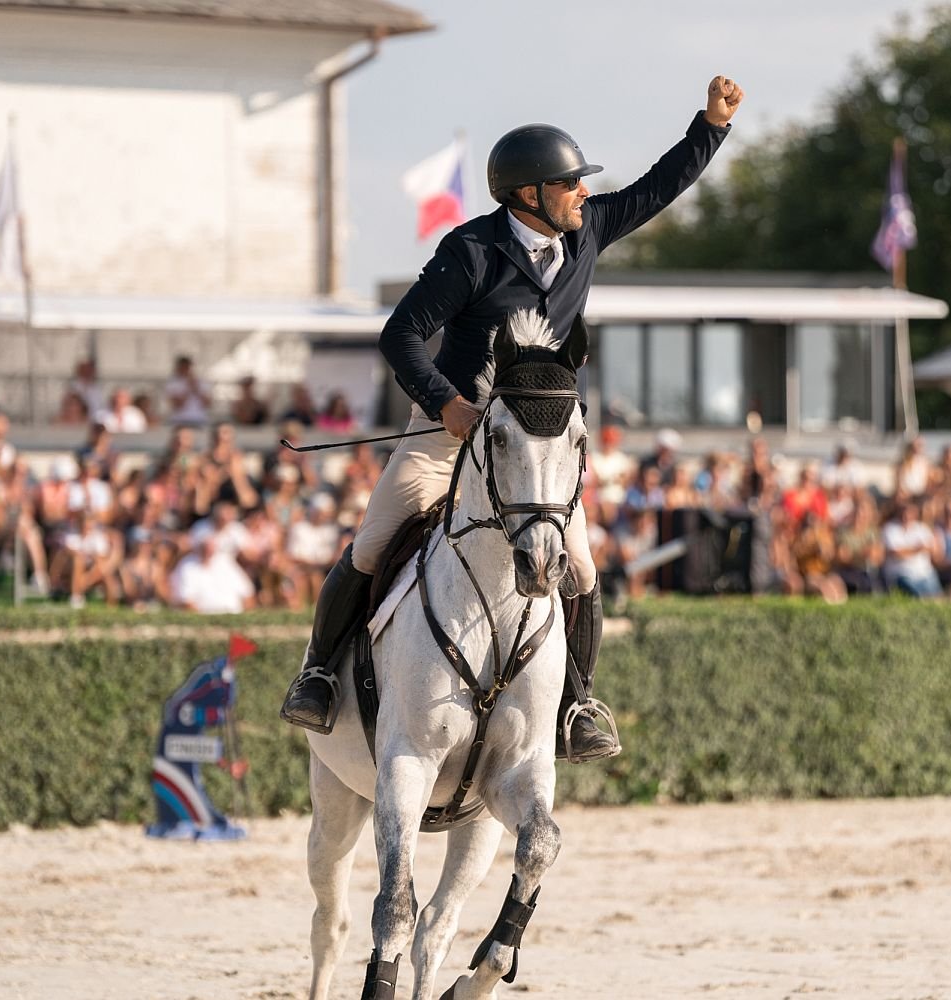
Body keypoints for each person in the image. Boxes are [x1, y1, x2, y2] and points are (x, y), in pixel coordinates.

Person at [280, 74, 745, 764]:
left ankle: (580, 701)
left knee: (581, 570)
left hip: (538, 445)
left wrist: (710, 126)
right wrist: (447, 403)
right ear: (530, 195)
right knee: (375, 543)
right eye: (570, 184)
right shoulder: (470, 252)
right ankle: (319, 673)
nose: (584, 192)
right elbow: (400, 337)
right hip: (451, 431)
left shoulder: (586, 234)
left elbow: (658, 187)